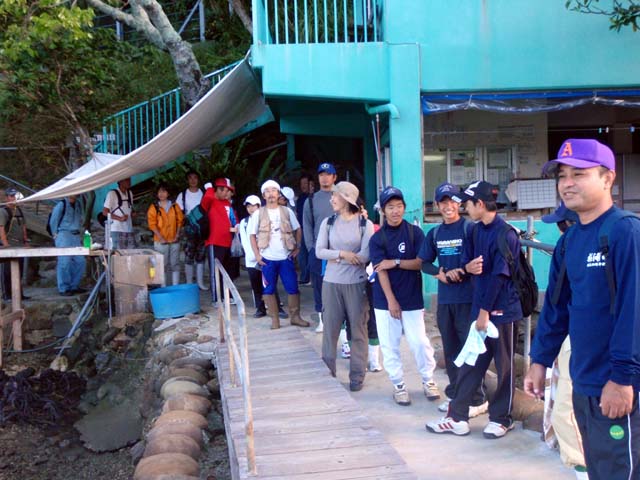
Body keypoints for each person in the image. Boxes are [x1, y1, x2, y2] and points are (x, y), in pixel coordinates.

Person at [525, 139, 640, 479]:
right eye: (562, 175)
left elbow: (633, 311)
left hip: (620, 386)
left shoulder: (625, 232)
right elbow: (557, 309)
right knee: (600, 469)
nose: (567, 183)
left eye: (580, 174)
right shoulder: (570, 241)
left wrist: (622, 379)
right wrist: (539, 360)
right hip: (585, 383)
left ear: (608, 179)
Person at [427, 180, 522, 439]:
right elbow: (471, 263)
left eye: (467, 204)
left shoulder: (507, 234)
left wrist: (483, 312)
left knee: (504, 366)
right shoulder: (477, 231)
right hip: (479, 309)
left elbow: (498, 278)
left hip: (502, 311)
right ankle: (457, 417)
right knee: (471, 362)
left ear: (480, 204)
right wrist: (469, 266)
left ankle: (502, 418)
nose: (463, 208)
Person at [419, 183, 488, 417]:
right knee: (450, 349)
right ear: (437, 205)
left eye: (452, 201)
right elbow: (424, 262)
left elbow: (481, 260)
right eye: (443, 202)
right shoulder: (435, 233)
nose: (448, 206)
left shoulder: (470, 229)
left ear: (459, 204)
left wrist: (465, 269)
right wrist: (439, 273)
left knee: (470, 350)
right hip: (446, 301)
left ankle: (476, 398)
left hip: (468, 299)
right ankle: (455, 394)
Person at [369, 186, 440, 406]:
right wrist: (391, 300)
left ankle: (428, 380)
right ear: (383, 210)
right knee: (389, 345)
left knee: (419, 342)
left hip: (412, 299)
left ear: (404, 208)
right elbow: (380, 269)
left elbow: (421, 262)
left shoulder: (414, 233)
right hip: (385, 300)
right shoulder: (377, 238)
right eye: (390, 207)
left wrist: (396, 262)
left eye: (399, 206)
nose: (395, 211)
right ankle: (398, 384)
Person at [539, 202, 587, 479]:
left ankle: (584, 471)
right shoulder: (569, 248)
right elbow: (556, 304)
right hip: (574, 332)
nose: (560, 231)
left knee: (565, 413)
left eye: (560, 225)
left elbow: (556, 303)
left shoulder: (571, 246)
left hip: (584, 339)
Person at [316, 182, 374, 392]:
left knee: (358, 331)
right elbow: (319, 251)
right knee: (330, 330)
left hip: (356, 284)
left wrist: (338, 258)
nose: (331, 199)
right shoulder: (328, 223)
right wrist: (343, 255)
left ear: (347, 199)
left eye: (335, 196)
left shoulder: (364, 224)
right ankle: (328, 373)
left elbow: (366, 255)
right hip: (331, 283)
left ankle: (357, 376)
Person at [249, 180, 310, 329]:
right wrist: (257, 255)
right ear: (263, 195)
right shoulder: (258, 213)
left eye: (274, 190)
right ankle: (274, 319)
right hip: (267, 259)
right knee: (268, 289)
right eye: (268, 191)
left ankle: (295, 317)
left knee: (293, 287)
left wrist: (298, 247)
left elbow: (298, 229)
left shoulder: (286, 211)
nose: (271, 194)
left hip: (286, 258)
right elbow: (252, 235)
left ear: (278, 194)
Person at [239, 195, 287, 319]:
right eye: (248, 206)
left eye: (253, 206)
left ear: (259, 206)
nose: (251, 209)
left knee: (269, 283)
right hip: (250, 259)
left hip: (266, 257)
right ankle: (260, 309)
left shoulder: (266, 219)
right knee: (256, 285)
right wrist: (251, 254)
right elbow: (245, 240)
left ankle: (277, 308)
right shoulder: (243, 222)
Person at [303, 163, 338, 333]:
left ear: (334, 177)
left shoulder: (341, 197)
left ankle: (338, 318)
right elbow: (307, 226)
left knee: (339, 284)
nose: (324, 178)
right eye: (321, 174)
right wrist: (311, 247)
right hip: (318, 251)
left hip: (339, 250)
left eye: (328, 174)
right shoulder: (311, 200)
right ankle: (321, 319)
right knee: (318, 285)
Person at [201, 178, 236, 303]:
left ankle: (228, 295)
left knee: (227, 270)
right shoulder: (211, 200)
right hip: (214, 242)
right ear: (219, 190)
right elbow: (206, 199)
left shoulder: (227, 203)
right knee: (214, 271)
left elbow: (233, 218)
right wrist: (210, 188)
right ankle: (216, 298)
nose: (228, 194)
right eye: (225, 191)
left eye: (229, 191)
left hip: (228, 241)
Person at [147, 184, 184, 286]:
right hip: (160, 241)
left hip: (174, 240)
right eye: (159, 192)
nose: (161, 194)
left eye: (164, 191)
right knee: (162, 264)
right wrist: (160, 237)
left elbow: (180, 221)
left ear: (168, 193)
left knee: (175, 264)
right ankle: (164, 287)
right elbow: (152, 224)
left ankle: (175, 286)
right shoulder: (154, 207)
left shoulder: (175, 206)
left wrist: (177, 235)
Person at [50, 195, 86, 296]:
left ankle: (74, 286)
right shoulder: (61, 204)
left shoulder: (78, 204)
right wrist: (55, 234)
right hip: (64, 234)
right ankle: (64, 288)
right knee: (64, 261)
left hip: (76, 235)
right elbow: (53, 220)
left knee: (80, 261)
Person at [176, 170, 207, 290]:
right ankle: (189, 283)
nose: (193, 180)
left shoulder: (203, 194)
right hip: (189, 229)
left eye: (195, 178)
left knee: (201, 255)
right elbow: (178, 212)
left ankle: (200, 282)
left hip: (202, 228)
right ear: (187, 180)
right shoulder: (182, 195)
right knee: (189, 255)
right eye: (190, 178)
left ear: (198, 180)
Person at [0, 188, 30, 302]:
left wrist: (26, 241)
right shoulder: (3, 211)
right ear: (7, 197)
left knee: (19, 270)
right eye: (11, 196)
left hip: (19, 244)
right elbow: (1, 228)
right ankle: (6, 295)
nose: (14, 198)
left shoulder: (19, 211)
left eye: (15, 196)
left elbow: (23, 227)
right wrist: (5, 244)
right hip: (8, 244)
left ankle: (19, 294)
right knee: (6, 271)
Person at [102, 177, 136, 249]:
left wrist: (133, 214)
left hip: (129, 229)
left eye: (129, 179)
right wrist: (119, 218)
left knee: (129, 253)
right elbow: (105, 212)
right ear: (120, 181)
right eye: (126, 180)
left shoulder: (130, 193)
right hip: (116, 229)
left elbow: (130, 208)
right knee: (117, 254)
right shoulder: (112, 194)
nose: (129, 182)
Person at [296, 174, 314, 285]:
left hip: (311, 229)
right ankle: (304, 277)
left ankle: (310, 277)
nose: (303, 186)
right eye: (301, 184)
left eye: (305, 184)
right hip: (301, 228)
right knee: (302, 254)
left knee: (310, 253)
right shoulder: (300, 198)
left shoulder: (313, 198)